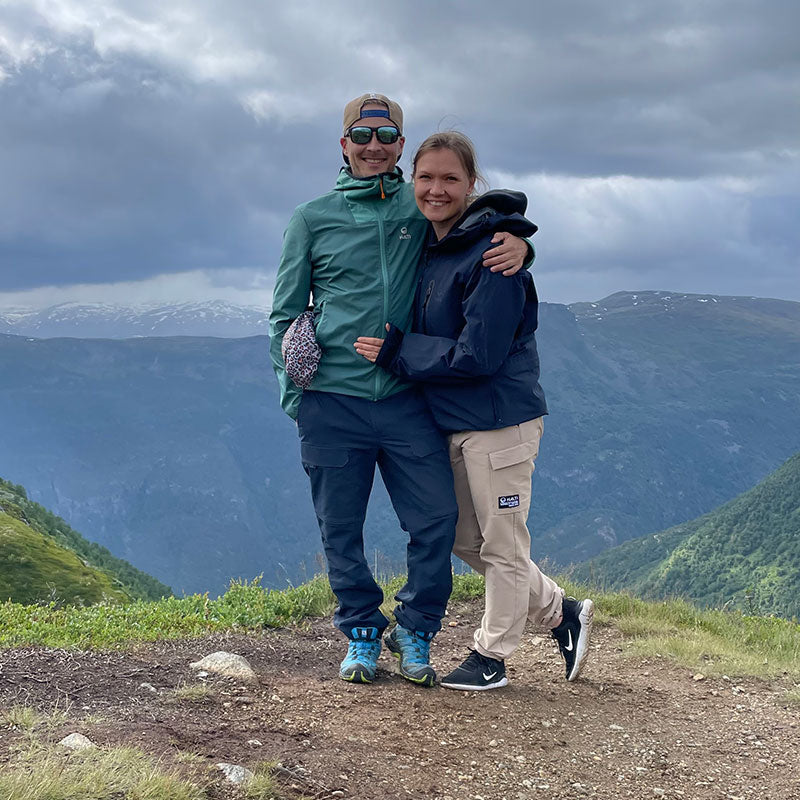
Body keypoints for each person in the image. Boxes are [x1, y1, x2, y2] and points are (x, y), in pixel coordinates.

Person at [269, 94, 530, 687]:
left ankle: (415, 629)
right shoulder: (311, 219)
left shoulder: (422, 213)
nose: (373, 145)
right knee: (340, 526)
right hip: (331, 402)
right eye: (361, 135)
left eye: (387, 135)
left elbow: (481, 234)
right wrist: (295, 396)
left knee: (436, 519)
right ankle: (361, 631)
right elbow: (283, 315)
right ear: (344, 144)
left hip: (408, 398)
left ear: (400, 149)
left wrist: (522, 243)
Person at [354, 131, 594, 690]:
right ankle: (562, 612)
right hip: (454, 421)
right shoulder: (437, 245)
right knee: (465, 538)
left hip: (499, 421)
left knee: (505, 543)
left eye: (450, 179)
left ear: (471, 185)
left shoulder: (492, 252)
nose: (436, 190)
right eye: (426, 178)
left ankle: (492, 657)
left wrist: (397, 351)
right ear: (411, 181)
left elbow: (479, 355)